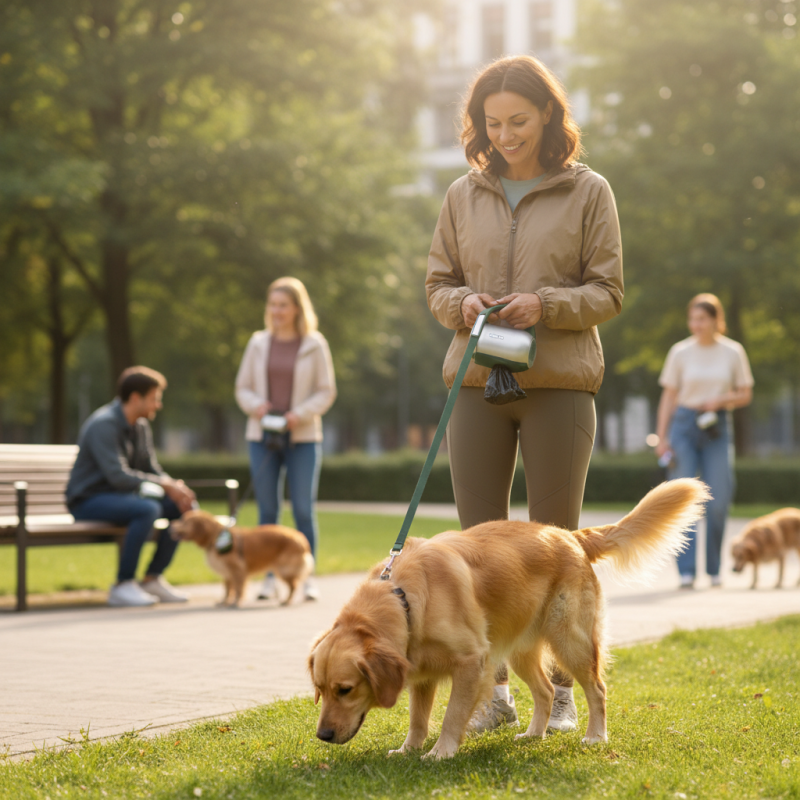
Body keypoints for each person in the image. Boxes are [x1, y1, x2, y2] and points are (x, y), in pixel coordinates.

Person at [426, 55, 623, 736]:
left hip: (558, 385)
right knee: (477, 553)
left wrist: (546, 304)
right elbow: (436, 284)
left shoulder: (589, 191)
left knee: (558, 548)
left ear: (547, 115)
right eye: (492, 123)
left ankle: (564, 692)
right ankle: (493, 691)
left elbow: (609, 291)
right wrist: (464, 303)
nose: (505, 135)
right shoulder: (462, 194)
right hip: (478, 383)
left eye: (518, 120)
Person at [235, 277, 336, 602]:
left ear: (296, 308)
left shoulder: (314, 343)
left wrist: (298, 415)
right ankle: (268, 578)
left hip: (302, 437)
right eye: (272, 304)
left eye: (283, 305)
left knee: (304, 510)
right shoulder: (257, 343)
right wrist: (258, 408)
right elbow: (242, 388)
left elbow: (326, 391)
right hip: (262, 435)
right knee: (267, 511)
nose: (276, 311)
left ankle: (306, 578)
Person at [66, 367, 197, 607]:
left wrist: (175, 488)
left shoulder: (140, 425)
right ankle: (123, 584)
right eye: (155, 398)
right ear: (136, 398)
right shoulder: (103, 424)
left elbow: (152, 468)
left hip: (121, 498)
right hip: (88, 501)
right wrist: (163, 484)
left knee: (179, 506)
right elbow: (118, 476)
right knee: (147, 510)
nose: (158, 405)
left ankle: (152, 579)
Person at [655, 293, 753, 589]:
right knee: (682, 499)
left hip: (717, 426)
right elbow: (669, 396)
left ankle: (714, 568)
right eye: (692, 319)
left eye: (701, 319)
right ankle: (686, 571)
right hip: (683, 424)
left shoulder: (733, 351)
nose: (695, 324)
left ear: (715, 320)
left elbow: (745, 393)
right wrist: (662, 437)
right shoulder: (680, 352)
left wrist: (720, 400)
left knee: (719, 499)